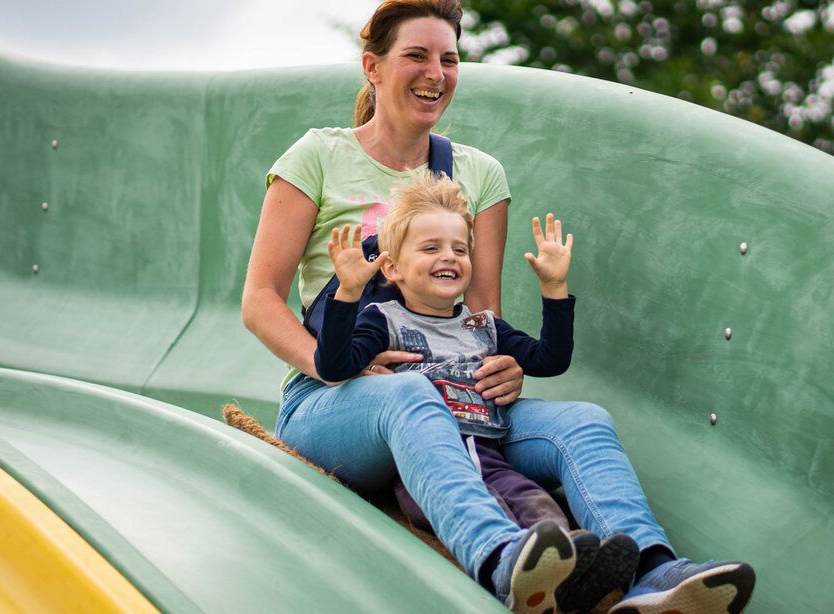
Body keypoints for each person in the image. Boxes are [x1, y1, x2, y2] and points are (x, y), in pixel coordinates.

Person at [241, 1, 756, 612]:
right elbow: (259, 302)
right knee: (412, 396)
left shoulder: (478, 174)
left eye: (449, 59)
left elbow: (481, 318)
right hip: (332, 399)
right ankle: (500, 557)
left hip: (459, 395)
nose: (436, 72)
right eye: (416, 56)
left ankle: (651, 574)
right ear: (372, 68)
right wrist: (343, 367)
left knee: (583, 421)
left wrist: (506, 368)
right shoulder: (317, 158)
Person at [314, 173, 639, 612]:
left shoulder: (481, 325)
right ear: (391, 268)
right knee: (505, 511)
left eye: (459, 249)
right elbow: (334, 365)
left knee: (541, 509)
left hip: (492, 456)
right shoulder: (383, 320)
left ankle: (572, 577)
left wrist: (554, 288)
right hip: (436, 468)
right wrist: (347, 295)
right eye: (430, 248)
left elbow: (549, 359)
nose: (448, 256)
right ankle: (517, 570)